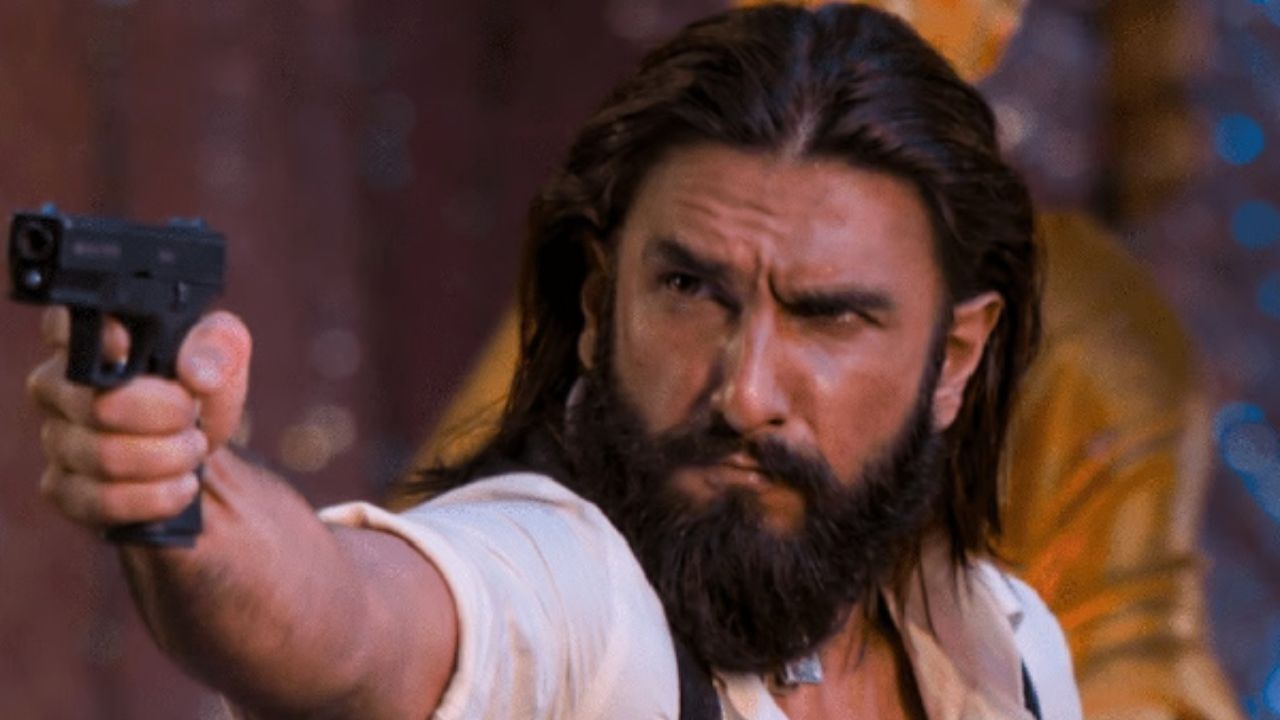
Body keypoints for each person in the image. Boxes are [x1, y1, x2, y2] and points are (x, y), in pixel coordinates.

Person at [25, 4, 1080, 719]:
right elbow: (353, 624)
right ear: (596, 305)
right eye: (689, 289)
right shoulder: (575, 599)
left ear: (953, 359)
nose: (744, 391)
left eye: (827, 317)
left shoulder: (1013, 647)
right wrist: (187, 496)